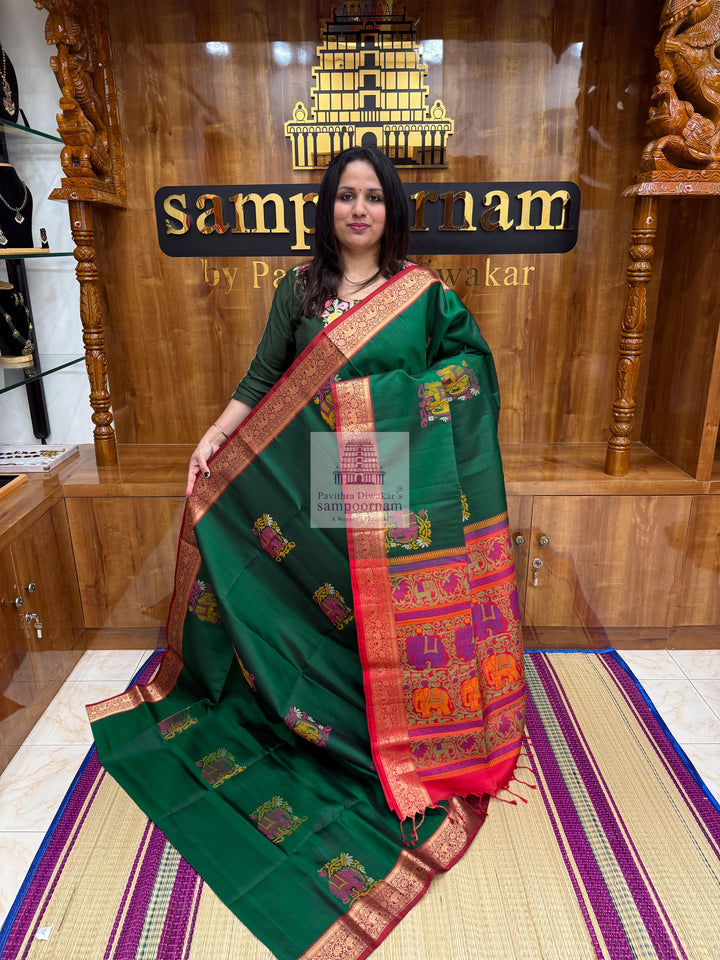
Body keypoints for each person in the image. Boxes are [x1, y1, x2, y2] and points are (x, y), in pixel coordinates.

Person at [90, 147, 526, 960]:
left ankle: (392, 725)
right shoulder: (301, 291)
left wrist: (386, 400)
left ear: (392, 210)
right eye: (345, 197)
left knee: (383, 604)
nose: (358, 209)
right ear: (327, 208)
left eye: (372, 197)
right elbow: (261, 381)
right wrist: (213, 440)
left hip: (395, 467)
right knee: (332, 603)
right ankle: (326, 715)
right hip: (317, 470)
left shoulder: (426, 296)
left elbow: (469, 374)